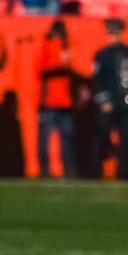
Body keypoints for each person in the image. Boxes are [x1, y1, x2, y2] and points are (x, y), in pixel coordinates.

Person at [88, 18, 128, 179]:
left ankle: (125, 173)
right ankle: (95, 172)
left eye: (116, 33)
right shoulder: (101, 55)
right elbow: (97, 79)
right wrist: (103, 100)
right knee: (101, 138)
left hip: (127, 101)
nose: (113, 37)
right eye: (110, 34)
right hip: (109, 102)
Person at [37, 20, 78, 177]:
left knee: (66, 139)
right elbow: (43, 69)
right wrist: (61, 64)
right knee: (48, 139)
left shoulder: (66, 47)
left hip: (64, 101)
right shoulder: (50, 46)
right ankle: (45, 171)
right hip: (51, 101)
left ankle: (68, 170)